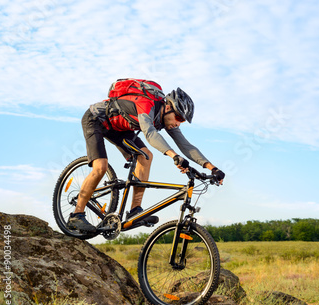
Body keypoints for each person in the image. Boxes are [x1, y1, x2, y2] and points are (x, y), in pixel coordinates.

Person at [68, 83, 225, 233]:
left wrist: (213, 168)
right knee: (101, 166)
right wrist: (174, 156)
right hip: (96, 119)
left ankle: (135, 211)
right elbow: (150, 133)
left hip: (120, 128)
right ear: (168, 107)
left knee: (146, 157)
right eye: (178, 117)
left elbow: (185, 145)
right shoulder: (146, 104)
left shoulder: (168, 119)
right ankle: (76, 215)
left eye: (182, 120)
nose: (178, 123)